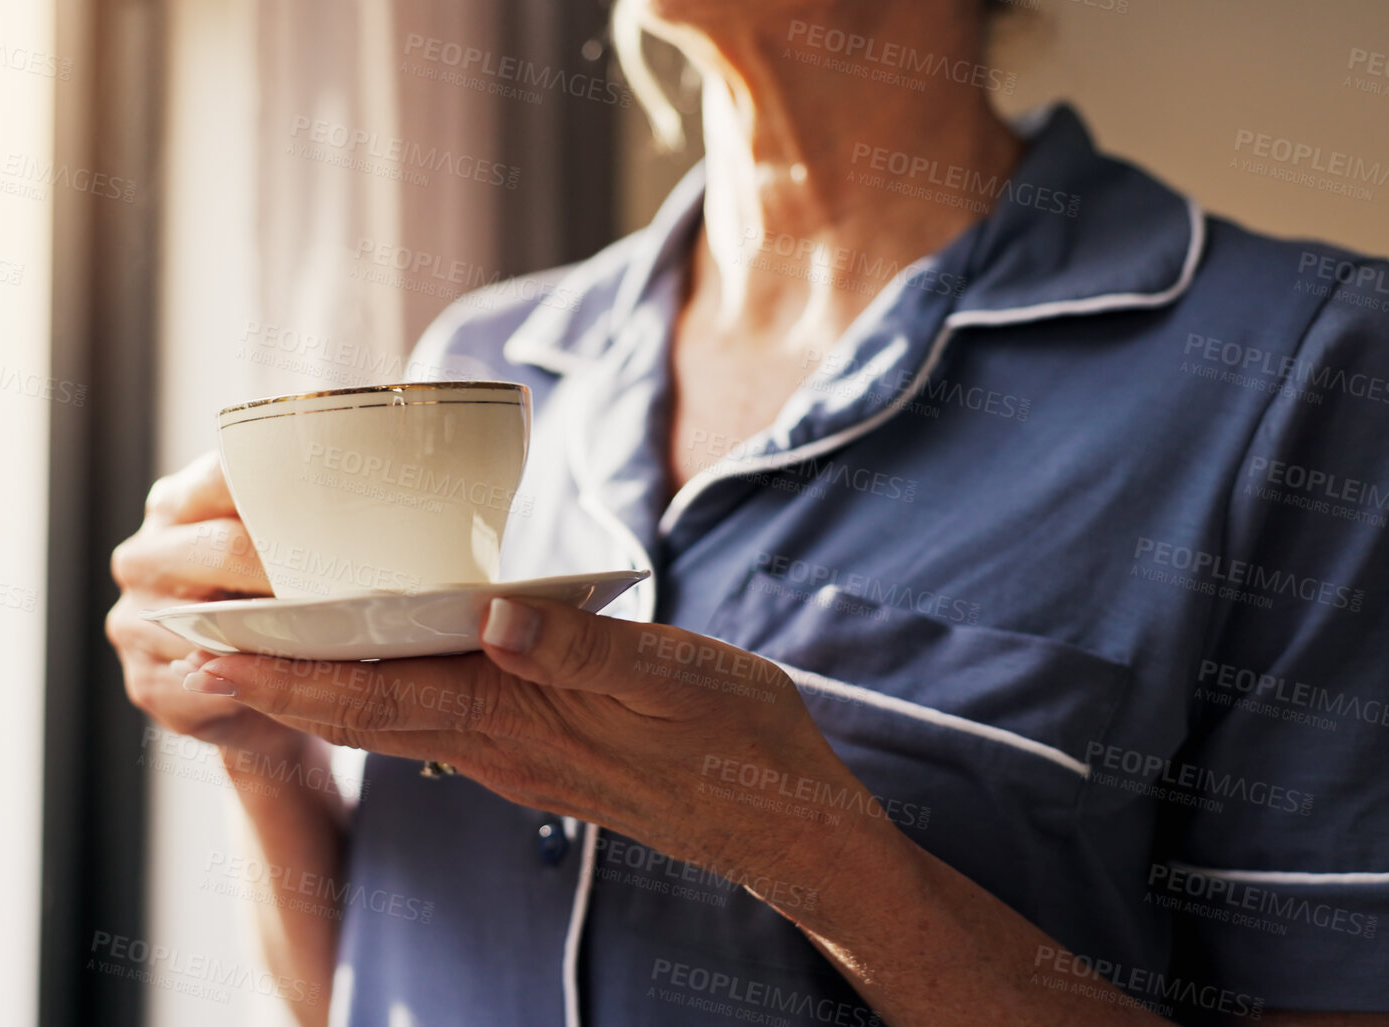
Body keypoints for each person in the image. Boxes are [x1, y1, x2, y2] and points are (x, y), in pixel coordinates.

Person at [107, 1, 1389, 1024]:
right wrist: (261, 750)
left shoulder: (1306, 376)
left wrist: (808, 846)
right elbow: (364, 994)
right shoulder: (484, 364)